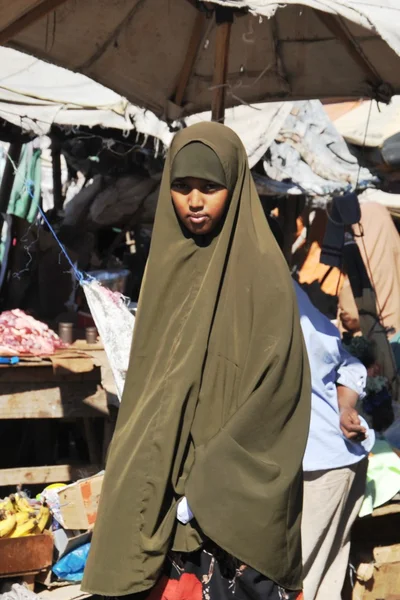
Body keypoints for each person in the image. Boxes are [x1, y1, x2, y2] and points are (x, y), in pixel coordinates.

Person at [82, 123, 311, 600]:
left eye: (210, 187)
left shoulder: (263, 275)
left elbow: (279, 393)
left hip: (223, 504)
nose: (194, 201)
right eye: (182, 187)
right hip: (159, 485)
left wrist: (206, 480)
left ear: (235, 185)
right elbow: (153, 383)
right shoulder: (165, 266)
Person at [294, 281, 374, 600]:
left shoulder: (278, 296)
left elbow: (344, 364)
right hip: (334, 457)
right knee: (323, 581)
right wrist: (344, 408)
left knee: (301, 583)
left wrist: (345, 407)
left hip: (319, 464)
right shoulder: (293, 295)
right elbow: (347, 364)